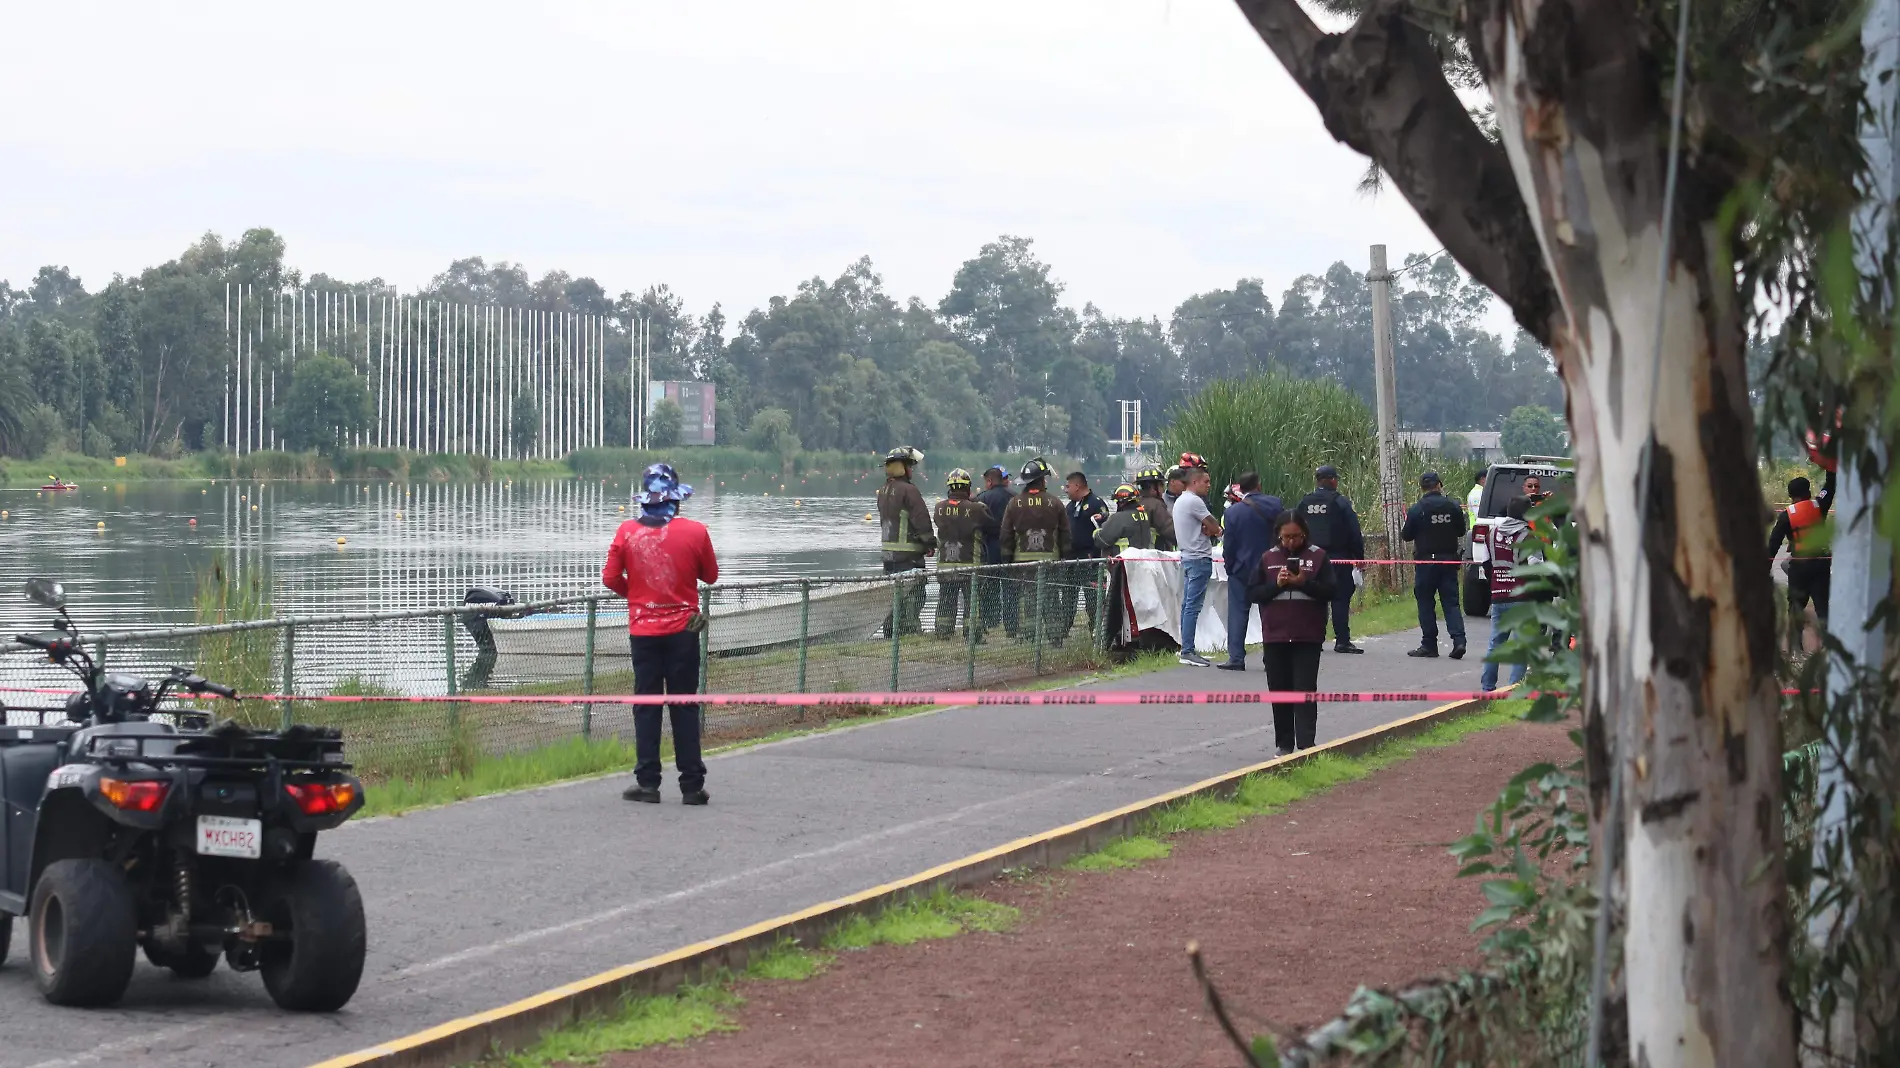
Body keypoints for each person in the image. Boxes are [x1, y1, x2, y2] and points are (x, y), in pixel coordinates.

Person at [601, 463, 719, 805]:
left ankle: (648, 782)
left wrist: (638, 594)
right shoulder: (696, 532)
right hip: (684, 629)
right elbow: (710, 576)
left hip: (644, 631)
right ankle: (692, 786)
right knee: (684, 704)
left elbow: (610, 578)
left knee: (647, 706)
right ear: (677, 501)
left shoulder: (626, 532)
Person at [1247, 510, 1337, 756]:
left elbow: (1331, 591)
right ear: (1278, 535)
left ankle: (1307, 743)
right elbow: (1253, 593)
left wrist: (1303, 582)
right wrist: (1276, 585)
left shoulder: (1318, 557)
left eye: (1296, 537)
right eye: (1285, 537)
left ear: (1304, 533)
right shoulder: (1267, 558)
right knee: (1280, 690)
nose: (1290, 542)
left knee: (1305, 689)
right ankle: (1284, 744)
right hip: (1275, 635)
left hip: (1308, 635)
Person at [1295, 465, 1367, 653]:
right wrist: (1358, 557)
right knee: (1340, 598)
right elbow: (1353, 531)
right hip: (1337, 558)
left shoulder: (1305, 502)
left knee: (1314, 598)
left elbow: (1295, 528)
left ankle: (1313, 639)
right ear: (1332, 480)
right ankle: (1342, 640)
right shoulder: (1340, 502)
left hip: (1311, 558)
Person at [1216, 472, 1282, 671]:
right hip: (1269, 568)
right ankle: (1272, 657)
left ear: (1241, 489)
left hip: (1241, 569)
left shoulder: (1232, 513)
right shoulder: (1275, 505)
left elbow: (1229, 545)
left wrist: (1230, 568)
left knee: (1237, 613)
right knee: (1270, 613)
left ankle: (1236, 658)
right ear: (1259, 485)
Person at [999, 457, 1070, 641]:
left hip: (1023, 563)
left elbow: (1006, 535)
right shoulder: (1055, 503)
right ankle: (1055, 638)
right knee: (1052, 598)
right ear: (1042, 480)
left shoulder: (1014, 503)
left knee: (1028, 600)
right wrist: (1065, 557)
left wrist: (1007, 560)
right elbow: (1065, 534)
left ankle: (1029, 638)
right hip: (1050, 560)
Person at [1401, 470, 1468, 658]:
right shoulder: (1452, 506)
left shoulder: (1417, 509)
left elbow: (1406, 535)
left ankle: (1429, 644)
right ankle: (1459, 641)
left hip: (1425, 562)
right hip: (1447, 560)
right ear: (1439, 485)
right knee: (1451, 603)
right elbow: (1461, 530)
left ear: (1422, 487)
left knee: (1425, 603)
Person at [1480, 494, 1539, 692]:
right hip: (1521, 598)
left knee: (1495, 644)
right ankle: (1514, 688)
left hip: (1498, 595)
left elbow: (1486, 564)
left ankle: (1487, 688)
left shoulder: (1492, 533)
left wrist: (1496, 582)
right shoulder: (1528, 536)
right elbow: (1535, 566)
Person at [876, 445, 936, 637]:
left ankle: (890, 634)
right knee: (913, 596)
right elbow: (921, 519)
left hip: (889, 557)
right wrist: (929, 543)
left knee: (891, 600)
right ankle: (910, 634)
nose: (912, 470)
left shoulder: (884, 491)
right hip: (909, 556)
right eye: (910, 465)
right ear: (902, 467)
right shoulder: (908, 490)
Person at [1768, 475, 1832, 644]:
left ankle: (1796, 649)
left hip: (1800, 567)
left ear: (1791, 496)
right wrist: (1830, 470)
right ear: (1809, 492)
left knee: (1796, 608)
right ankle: (1831, 649)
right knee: (1823, 607)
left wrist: (1766, 566)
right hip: (1821, 564)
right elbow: (1830, 486)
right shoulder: (1820, 505)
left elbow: (1774, 544)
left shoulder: (1786, 516)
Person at [1171, 466, 1223, 667]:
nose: (1209, 486)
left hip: (1187, 556)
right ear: (1194, 482)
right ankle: (1188, 651)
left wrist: (1209, 529)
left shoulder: (1180, 500)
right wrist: (1214, 530)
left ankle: (1187, 647)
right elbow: (1214, 525)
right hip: (1199, 558)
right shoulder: (1194, 501)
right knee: (1193, 606)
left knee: (1187, 605)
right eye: (1206, 482)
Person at [932, 468, 991, 640]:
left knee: (945, 601)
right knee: (972, 603)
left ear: (949, 488)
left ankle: (943, 633)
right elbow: (990, 524)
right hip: (970, 564)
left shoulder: (939, 508)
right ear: (967, 488)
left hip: (945, 564)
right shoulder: (976, 509)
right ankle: (973, 635)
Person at [1060, 471, 1109, 643]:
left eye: (1067, 486)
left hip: (1091, 559)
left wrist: (1102, 518)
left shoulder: (1096, 503)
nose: (1065, 490)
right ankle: (1062, 630)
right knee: (1067, 596)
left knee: (1093, 598)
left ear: (1077, 486)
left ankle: (1096, 631)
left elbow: (1106, 521)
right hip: (1071, 559)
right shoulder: (1070, 506)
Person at [974, 465, 1017, 635]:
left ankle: (990, 621)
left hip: (988, 547)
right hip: (1010, 548)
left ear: (990, 481)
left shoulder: (981, 498)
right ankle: (1011, 625)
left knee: (989, 587)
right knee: (1010, 589)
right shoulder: (1015, 497)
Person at [1093, 484, 1153, 554]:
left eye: (1117, 502)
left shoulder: (1119, 518)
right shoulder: (1142, 514)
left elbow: (1101, 540)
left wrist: (1097, 531)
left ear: (1121, 502)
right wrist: (1106, 517)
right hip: (1142, 560)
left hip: (1122, 562)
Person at [1134, 464, 1175, 551]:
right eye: (1161, 485)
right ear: (1153, 487)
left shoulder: (1133, 503)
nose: (1163, 489)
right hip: (1155, 555)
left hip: (1134, 555)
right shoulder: (1156, 505)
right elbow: (1170, 530)